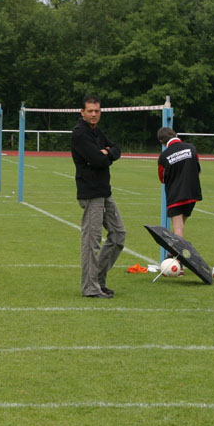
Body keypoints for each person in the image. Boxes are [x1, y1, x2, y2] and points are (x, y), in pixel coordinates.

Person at [70, 94, 126, 298]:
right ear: (82, 112)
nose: (94, 114)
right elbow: (96, 160)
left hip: (104, 191)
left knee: (118, 235)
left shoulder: (96, 131)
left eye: (97, 111)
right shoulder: (79, 134)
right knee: (91, 241)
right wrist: (105, 154)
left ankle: (99, 279)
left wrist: (107, 152)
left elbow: (117, 149)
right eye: (90, 111)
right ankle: (90, 288)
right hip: (91, 193)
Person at [157, 127, 202, 237]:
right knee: (180, 226)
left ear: (162, 142)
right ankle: (172, 252)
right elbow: (198, 170)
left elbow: (162, 179)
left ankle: (176, 253)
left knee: (178, 229)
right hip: (192, 193)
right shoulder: (191, 148)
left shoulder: (163, 156)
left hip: (176, 195)